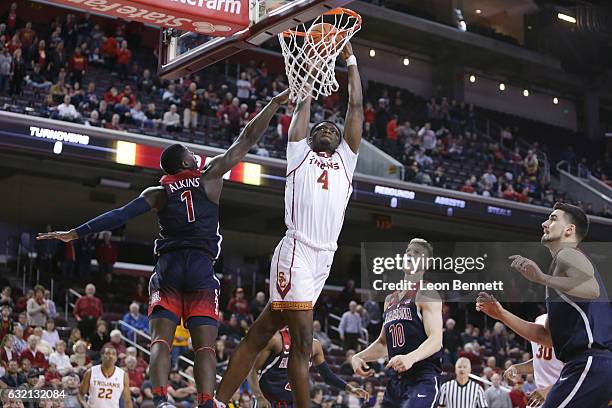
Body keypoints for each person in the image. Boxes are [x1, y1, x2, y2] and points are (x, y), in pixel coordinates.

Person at [37, 89, 290, 408]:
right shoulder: (210, 175)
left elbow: (118, 216)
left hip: (169, 267)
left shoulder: (158, 192)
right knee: (205, 349)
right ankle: (205, 402)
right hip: (200, 266)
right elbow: (247, 138)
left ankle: (161, 401)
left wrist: (75, 232)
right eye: (188, 151)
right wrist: (273, 103)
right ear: (186, 161)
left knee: (160, 341)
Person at [215, 42, 362, 408]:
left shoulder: (346, 160)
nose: (328, 128)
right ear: (310, 137)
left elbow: (356, 107)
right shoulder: (299, 153)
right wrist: (311, 67)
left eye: (333, 127)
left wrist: (351, 61)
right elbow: (302, 104)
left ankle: (215, 401)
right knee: (303, 343)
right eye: (322, 127)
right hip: (297, 250)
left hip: (324, 259)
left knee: (261, 333)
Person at [477, 202, 611, 408]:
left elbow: (591, 288)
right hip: (591, 366)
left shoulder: (569, 253)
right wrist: (502, 314)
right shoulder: (560, 270)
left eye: (553, 218)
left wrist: (541, 278)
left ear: (569, 230)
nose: (544, 223)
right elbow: (545, 338)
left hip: (588, 363)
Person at [351, 239, 443, 408]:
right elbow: (383, 344)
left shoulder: (427, 292)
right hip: (396, 382)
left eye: (416, 253)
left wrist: (410, 358)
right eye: (408, 251)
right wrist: (359, 356)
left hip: (422, 378)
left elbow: (436, 339)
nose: (410, 254)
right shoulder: (390, 300)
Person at [248, 328, 368, 407]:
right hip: (268, 401)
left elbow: (326, 375)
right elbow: (252, 370)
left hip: (293, 403)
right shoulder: (276, 340)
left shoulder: (315, 346)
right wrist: (259, 397)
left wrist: (350, 388)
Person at [502, 314, 563, 407]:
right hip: (540, 396)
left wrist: (547, 391)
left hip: (563, 394)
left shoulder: (570, 326)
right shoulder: (539, 320)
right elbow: (542, 360)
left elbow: (578, 371)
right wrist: (517, 369)